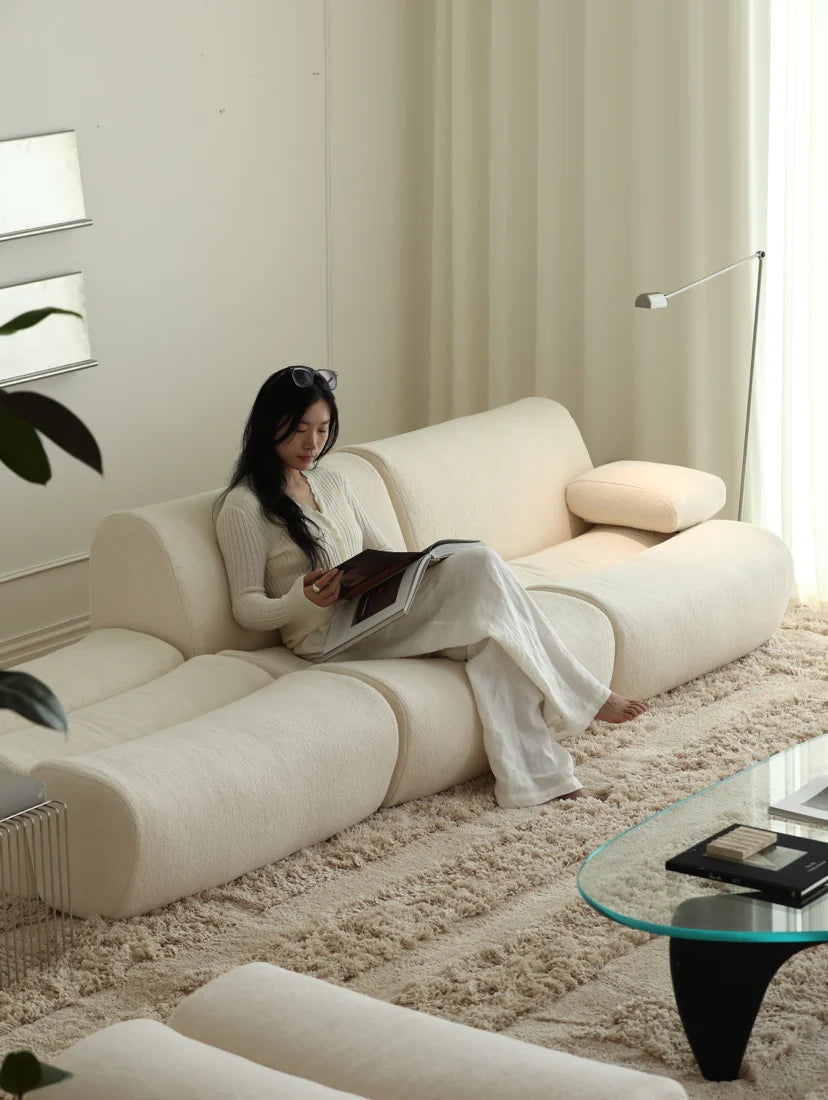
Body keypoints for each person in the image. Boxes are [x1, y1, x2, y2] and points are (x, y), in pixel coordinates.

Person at [214, 367, 648, 809]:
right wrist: (298, 598)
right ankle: (588, 696)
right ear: (271, 426)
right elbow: (245, 606)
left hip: (372, 612)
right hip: (326, 638)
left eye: (323, 430)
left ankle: (539, 785)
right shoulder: (244, 506)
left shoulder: (331, 480)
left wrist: (417, 568)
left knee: (495, 632)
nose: (312, 444)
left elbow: (381, 550)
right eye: (300, 430)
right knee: (480, 565)